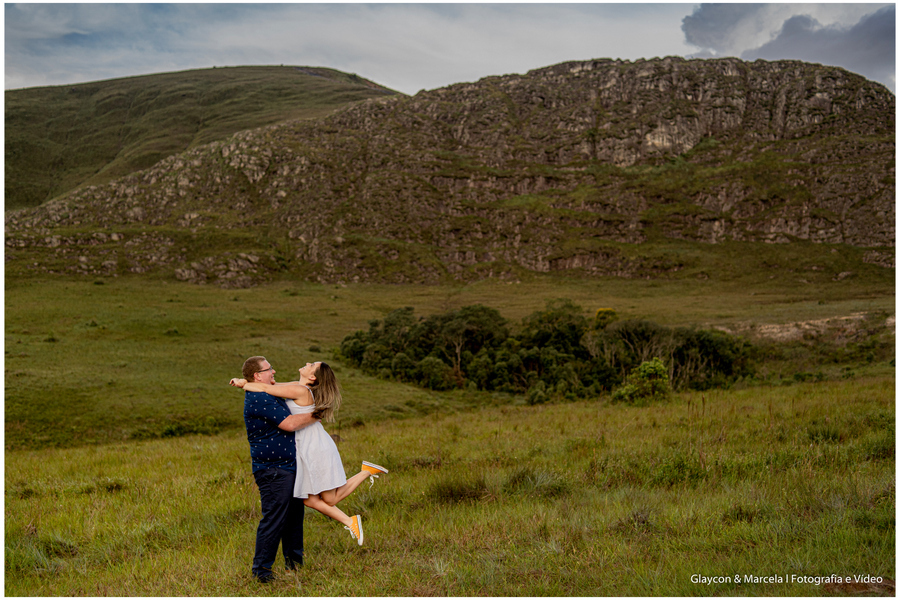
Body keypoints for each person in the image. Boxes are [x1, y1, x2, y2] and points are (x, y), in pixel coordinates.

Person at [231, 360, 388, 546]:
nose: (307, 362)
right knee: (312, 499)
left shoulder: (301, 390)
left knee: (326, 499)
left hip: (314, 447)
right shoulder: (297, 386)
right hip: (307, 447)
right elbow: (273, 385)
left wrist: (244, 384)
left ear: (312, 377)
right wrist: (244, 382)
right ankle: (353, 511)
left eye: (312, 364)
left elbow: (266, 388)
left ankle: (361, 488)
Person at [239, 356, 318, 583]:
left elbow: (295, 386)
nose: (273, 371)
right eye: (269, 369)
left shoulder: (268, 392)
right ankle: (262, 572)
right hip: (272, 469)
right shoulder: (258, 398)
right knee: (274, 518)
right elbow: (289, 424)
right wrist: (318, 414)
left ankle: (294, 565)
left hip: (287, 465)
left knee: (293, 516)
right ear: (258, 375)